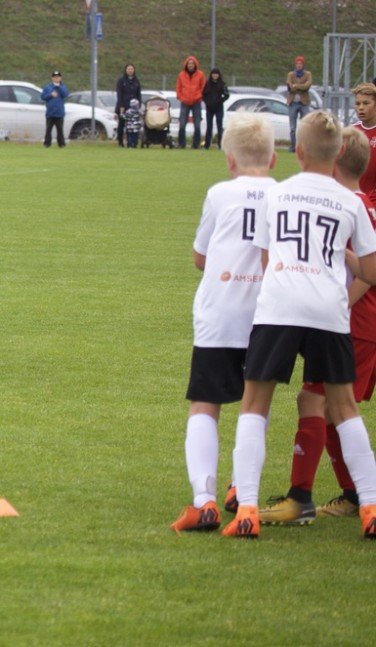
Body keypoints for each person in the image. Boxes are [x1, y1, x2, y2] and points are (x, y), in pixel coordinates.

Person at [223, 110, 376, 540]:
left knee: (255, 405)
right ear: (339, 152)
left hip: (280, 307)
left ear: (299, 150)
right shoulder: (351, 202)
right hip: (328, 309)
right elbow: (371, 271)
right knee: (344, 409)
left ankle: (247, 509)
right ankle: (370, 507)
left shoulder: (276, 194)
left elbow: (266, 258)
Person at [169, 113, 277, 534]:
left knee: (205, 403)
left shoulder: (219, 193)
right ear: (273, 159)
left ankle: (204, 501)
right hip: (268, 314)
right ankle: (240, 490)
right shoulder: (283, 193)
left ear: (229, 159)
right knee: (256, 405)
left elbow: (200, 257)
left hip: (221, 311)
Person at [351, 83, 376, 203]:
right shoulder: (351, 133)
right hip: (353, 199)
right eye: (358, 103)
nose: (361, 107)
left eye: (366, 103)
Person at [175, 56, 205, 150]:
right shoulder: (181, 75)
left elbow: (203, 87)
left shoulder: (200, 74)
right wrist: (180, 96)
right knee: (182, 124)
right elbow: (178, 87)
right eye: (189, 63)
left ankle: (196, 145)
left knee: (197, 125)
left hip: (196, 102)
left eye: (192, 63)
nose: (190, 65)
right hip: (185, 101)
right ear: (186, 64)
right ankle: (181, 144)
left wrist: (199, 96)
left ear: (195, 64)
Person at [286, 55, 313, 153]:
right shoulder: (291, 74)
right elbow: (290, 87)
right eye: (297, 64)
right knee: (293, 128)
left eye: (300, 64)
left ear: (303, 65)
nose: (299, 65)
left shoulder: (308, 74)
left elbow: (307, 86)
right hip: (293, 102)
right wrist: (299, 86)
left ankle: (304, 147)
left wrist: (296, 85)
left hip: (304, 103)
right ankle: (293, 147)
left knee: (305, 126)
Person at [115, 64, 142, 148]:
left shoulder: (136, 81)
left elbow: (138, 94)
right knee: (121, 124)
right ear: (126, 70)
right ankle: (120, 142)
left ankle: (130, 142)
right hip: (123, 106)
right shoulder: (121, 81)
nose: (130, 70)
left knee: (131, 126)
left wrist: (139, 105)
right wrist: (121, 106)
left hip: (133, 107)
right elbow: (119, 94)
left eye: (131, 69)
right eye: (128, 69)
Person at [202, 67, 229, 150]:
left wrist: (220, 101)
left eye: (216, 74)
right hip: (209, 108)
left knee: (219, 126)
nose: (215, 75)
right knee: (209, 126)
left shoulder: (222, 84)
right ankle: (207, 145)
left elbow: (227, 95)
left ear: (219, 75)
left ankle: (221, 145)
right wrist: (207, 102)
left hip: (219, 108)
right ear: (211, 75)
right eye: (213, 74)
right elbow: (203, 94)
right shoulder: (207, 84)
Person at [41, 70, 68, 148]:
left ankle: (61, 144)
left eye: (58, 77)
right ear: (52, 78)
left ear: (60, 78)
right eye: (55, 77)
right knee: (48, 129)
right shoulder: (48, 87)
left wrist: (59, 87)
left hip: (59, 112)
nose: (56, 78)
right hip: (50, 112)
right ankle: (47, 144)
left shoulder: (63, 87)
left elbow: (65, 95)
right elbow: (43, 97)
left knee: (60, 130)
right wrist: (51, 95)